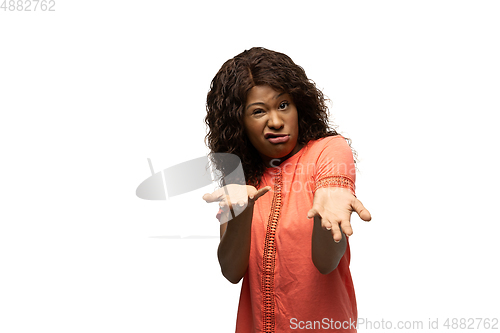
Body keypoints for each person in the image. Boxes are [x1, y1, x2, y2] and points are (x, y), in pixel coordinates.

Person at [202, 47, 372, 333]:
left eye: (283, 105)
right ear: (239, 123)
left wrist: (328, 208)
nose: (276, 121)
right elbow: (231, 272)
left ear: (299, 106)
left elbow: (327, 262)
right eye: (258, 111)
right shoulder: (239, 177)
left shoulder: (327, 151)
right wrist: (242, 212)